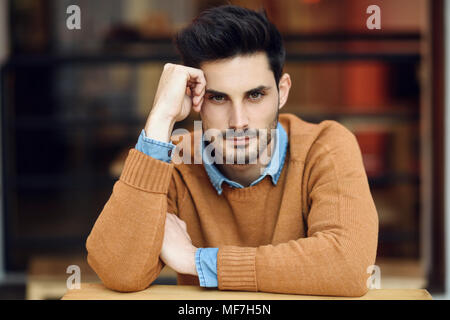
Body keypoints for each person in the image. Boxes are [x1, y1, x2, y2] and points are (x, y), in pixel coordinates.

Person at [86, 5, 379, 297]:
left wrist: (196, 261)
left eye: (255, 95)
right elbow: (118, 271)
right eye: (218, 98)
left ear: (283, 91)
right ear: (195, 97)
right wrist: (161, 116)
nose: (239, 122)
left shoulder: (325, 147)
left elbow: (349, 267)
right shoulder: (174, 161)